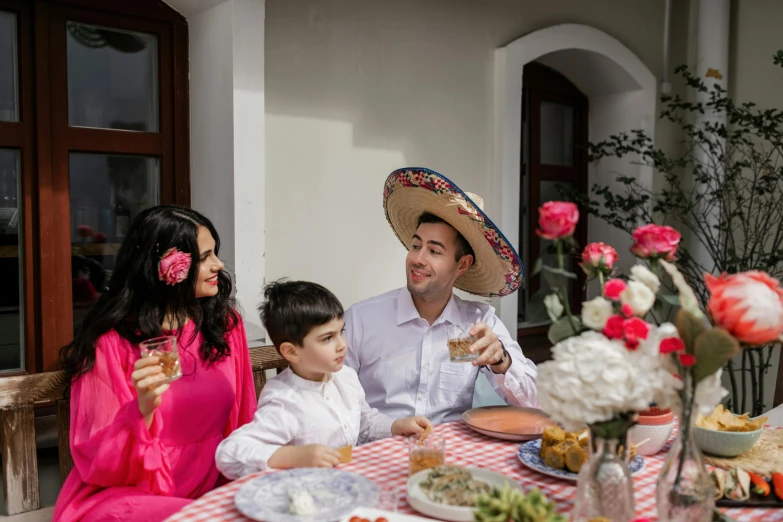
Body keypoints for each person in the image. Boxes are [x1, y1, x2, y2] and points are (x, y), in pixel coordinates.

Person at [53, 206, 257, 522]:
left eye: (215, 253)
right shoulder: (112, 342)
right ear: (165, 268)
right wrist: (142, 409)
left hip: (210, 483)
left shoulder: (224, 326)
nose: (219, 265)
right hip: (129, 494)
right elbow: (99, 463)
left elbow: (243, 419)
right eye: (205, 257)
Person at [344, 167, 538, 425]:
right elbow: (336, 406)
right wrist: (390, 429)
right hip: (378, 454)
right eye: (415, 246)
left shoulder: (478, 324)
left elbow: (532, 404)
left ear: (462, 265)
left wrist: (502, 361)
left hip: (452, 457)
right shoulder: (361, 320)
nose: (417, 259)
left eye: (434, 251)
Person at [215, 280, 430, 479]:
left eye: (340, 332)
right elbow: (229, 454)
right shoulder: (283, 401)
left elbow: (364, 423)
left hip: (346, 482)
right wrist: (294, 456)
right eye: (327, 338)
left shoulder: (346, 377)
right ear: (291, 352)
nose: (341, 345)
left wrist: (396, 425)